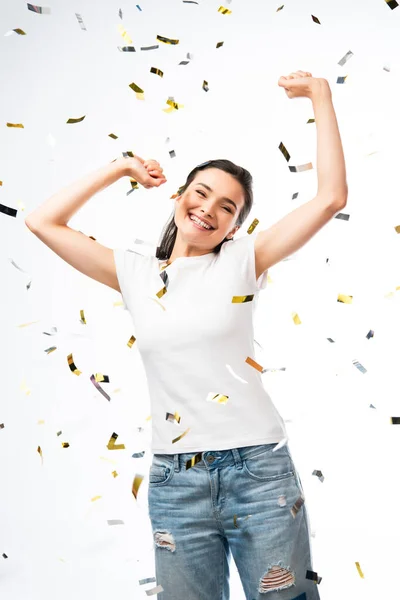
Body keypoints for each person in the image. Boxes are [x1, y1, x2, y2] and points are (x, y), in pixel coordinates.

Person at [25, 70, 347, 599]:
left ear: (235, 226)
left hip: (259, 471)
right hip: (177, 482)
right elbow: (42, 222)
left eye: (228, 207)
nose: (210, 209)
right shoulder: (134, 273)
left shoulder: (245, 260)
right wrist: (121, 167)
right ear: (178, 195)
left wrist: (320, 96)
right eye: (202, 193)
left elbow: (331, 197)